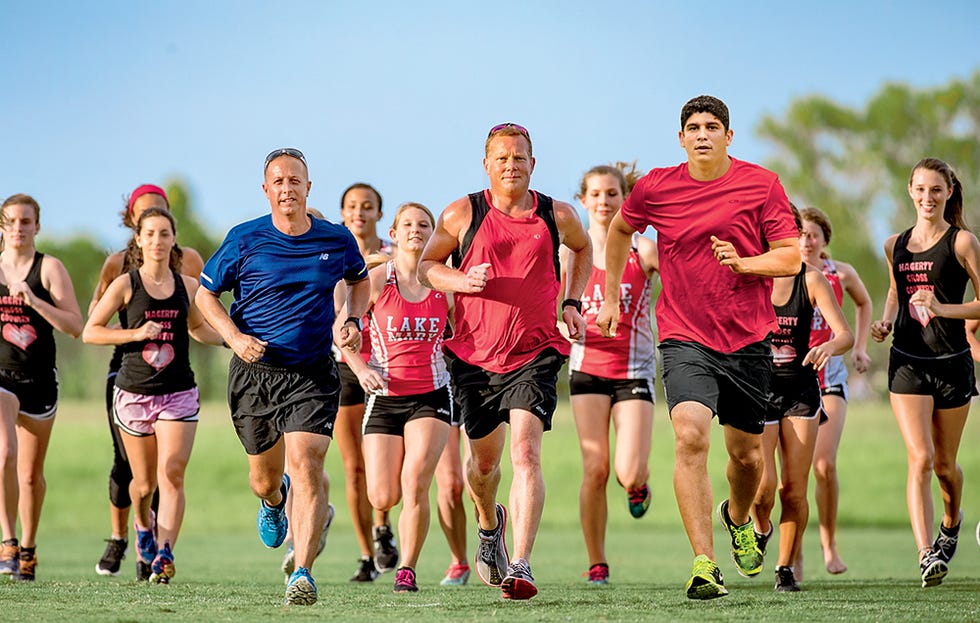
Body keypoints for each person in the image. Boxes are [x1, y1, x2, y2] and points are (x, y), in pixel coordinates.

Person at [597, 95, 800, 600]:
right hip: (684, 335)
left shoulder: (761, 184)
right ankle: (705, 564)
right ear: (681, 138)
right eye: (693, 127)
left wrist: (745, 264)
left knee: (748, 456)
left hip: (749, 338)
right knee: (689, 437)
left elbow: (792, 257)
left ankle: (736, 517)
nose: (703, 134)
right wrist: (607, 300)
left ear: (729, 137)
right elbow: (622, 227)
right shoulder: (657, 187)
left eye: (713, 126)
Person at [419, 122, 592, 600]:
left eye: (519, 158)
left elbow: (583, 249)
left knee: (526, 453)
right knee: (483, 467)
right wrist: (460, 282)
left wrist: (572, 302)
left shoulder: (557, 214)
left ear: (533, 164)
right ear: (486, 164)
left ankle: (521, 563)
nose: (511, 166)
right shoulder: (462, 212)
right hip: (473, 357)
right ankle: (488, 524)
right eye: (502, 158)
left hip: (535, 352)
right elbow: (427, 267)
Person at [195, 148, 370, 605]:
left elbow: (360, 280)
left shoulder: (335, 239)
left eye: (296, 180)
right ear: (266, 190)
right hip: (254, 373)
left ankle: (304, 573)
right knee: (264, 480)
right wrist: (234, 337)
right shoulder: (244, 238)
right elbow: (205, 296)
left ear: (309, 188)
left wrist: (354, 319)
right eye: (279, 181)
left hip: (312, 372)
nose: (288, 188)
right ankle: (274, 501)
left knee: (308, 462)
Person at [83, 207, 223, 584]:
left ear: (173, 239)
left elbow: (198, 329)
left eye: (165, 234)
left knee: (172, 474)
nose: (158, 241)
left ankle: (164, 554)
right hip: (134, 394)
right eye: (151, 234)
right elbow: (91, 331)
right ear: (139, 240)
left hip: (178, 392)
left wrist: (233, 340)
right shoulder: (126, 284)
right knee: (143, 484)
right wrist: (133, 334)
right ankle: (142, 523)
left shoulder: (187, 286)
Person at [870, 157, 978, 588]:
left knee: (946, 466)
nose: (927, 198)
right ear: (909, 191)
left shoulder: (963, 242)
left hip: (952, 363)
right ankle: (925, 553)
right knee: (920, 458)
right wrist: (883, 320)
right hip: (907, 362)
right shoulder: (893, 243)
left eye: (936, 190)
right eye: (920, 189)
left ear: (949, 192)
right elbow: (896, 292)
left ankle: (950, 524)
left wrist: (943, 309)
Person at [344, 202, 454, 592]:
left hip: (432, 395)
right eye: (407, 224)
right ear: (393, 232)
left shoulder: (444, 281)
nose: (416, 230)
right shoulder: (376, 279)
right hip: (384, 395)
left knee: (416, 482)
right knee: (383, 494)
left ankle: (407, 567)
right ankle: (384, 530)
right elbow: (342, 332)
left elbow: (467, 332)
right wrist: (361, 369)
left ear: (433, 233)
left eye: (424, 224)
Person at [750, 206, 854, 592]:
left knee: (793, 488)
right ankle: (759, 527)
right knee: (763, 489)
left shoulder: (811, 279)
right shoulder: (750, 276)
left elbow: (844, 334)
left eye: (788, 230)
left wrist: (829, 346)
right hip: (758, 390)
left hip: (801, 391)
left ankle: (785, 570)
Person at [566, 163, 658, 585]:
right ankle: (596, 562)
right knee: (595, 469)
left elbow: (685, 280)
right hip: (586, 368)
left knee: (628, 472)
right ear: (582, 201)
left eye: (612, 194)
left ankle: (639, 484)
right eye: (596, 194)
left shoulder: (644, 250)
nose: (604, 202)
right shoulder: (569, 254)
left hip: (633, 368)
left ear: (626, 199)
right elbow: (547, 304)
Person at [0, 194, 83, 581]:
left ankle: (29, 548)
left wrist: (33, 301)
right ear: (2, 226)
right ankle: (8, 541)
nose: (18, 228)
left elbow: (74, 326)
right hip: (2, 376)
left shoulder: (49, 269)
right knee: (4, 454)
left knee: (31, 475)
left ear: (37, 226)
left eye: (26, 221)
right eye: (12, 221)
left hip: (39, 380)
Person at [798, 206, 873, 575]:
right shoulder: (781, 273)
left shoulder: (839, 273)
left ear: (825, 239)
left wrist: (859, 346)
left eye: (812, 233)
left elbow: (863, 302)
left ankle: (829, 546)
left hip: (830, 378)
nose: (805, 240)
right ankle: (791, 555)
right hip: (790, 381)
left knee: (823, 465)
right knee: (789, 476)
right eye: (799, 233)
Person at [332, 183, 399, 582]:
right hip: (344, 367)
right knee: (353, 466)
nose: (359, 212)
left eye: (368, 206)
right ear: (343, 214)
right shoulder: (331, 252)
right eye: (352, 206)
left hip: (389, 367)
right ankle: (365, 554)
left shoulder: (394, 254)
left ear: (379, 213)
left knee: (384, 466)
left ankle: (383, 526)